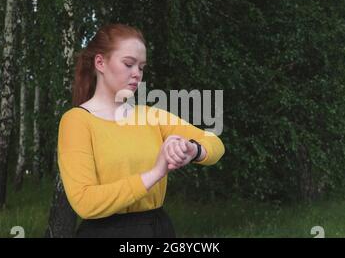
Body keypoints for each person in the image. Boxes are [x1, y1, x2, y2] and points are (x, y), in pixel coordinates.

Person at [57, 23, 225, 238]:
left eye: (141, 67)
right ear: (100, 62)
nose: (137, 73)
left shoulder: (150, 115)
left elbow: (214, 143)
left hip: (158, 229)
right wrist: (156, 172)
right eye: (128, 64)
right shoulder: (76, 121)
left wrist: (194, 149)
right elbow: (85, 202)